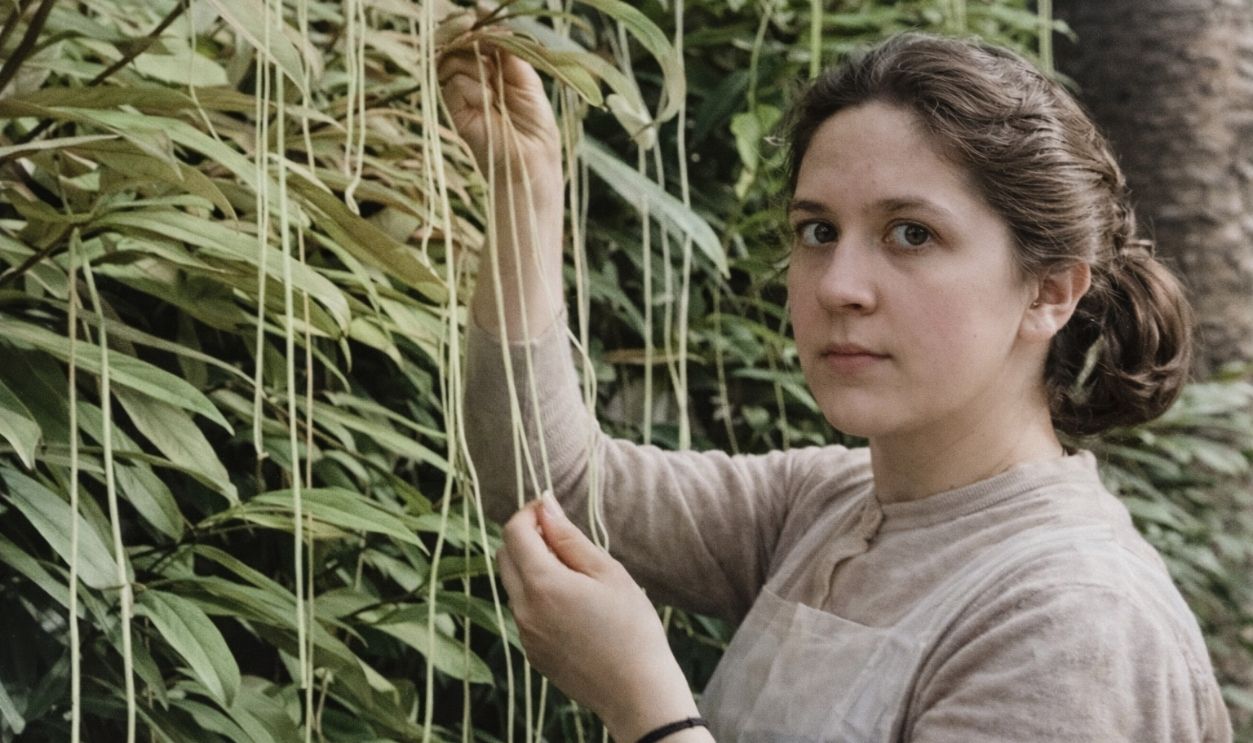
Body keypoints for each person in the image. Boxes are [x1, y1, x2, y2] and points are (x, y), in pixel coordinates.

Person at [439, 32, 1233, 742]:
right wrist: (525, 188)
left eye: (910, 234)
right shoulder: (822, 505)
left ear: (1049, 291)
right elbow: (548, 481)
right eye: (817, 231)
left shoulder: (1073, 620)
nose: (837, 285)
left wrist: (647, 710)